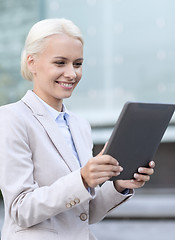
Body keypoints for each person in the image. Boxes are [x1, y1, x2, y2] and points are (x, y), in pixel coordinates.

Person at [0, 18, 155, 240]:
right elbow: (20, 210)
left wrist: (120, 185)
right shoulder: (11, 119)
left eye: (78, 63)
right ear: (32, 62)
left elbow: (84, 213)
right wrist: (82, 179)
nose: (72, 73)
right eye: (60, 63)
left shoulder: (80, 125)